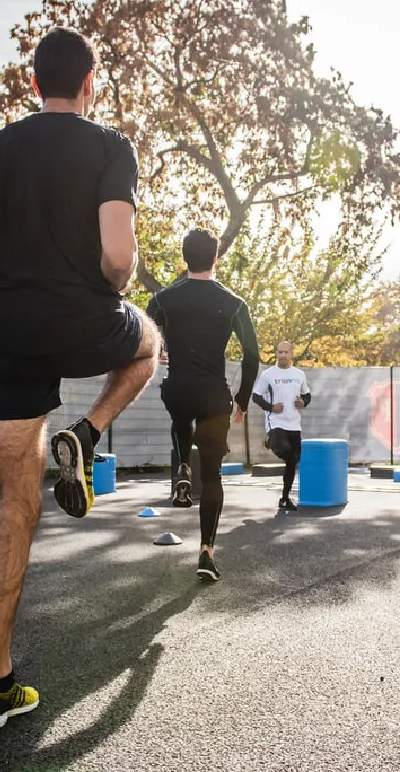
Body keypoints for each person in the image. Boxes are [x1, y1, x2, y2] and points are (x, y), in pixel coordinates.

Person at [0, 27, 159, 731]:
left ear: (33, 85)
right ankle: (87, 432)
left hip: (10, 340)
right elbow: (119, 256)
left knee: (14, 513)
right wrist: (115, 280)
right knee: (148, 344)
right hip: (86, 325)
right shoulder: (111, 146)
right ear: (91, 86)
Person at [146, 229, 260, 581]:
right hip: (214, 395)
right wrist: (242, 399)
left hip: (179, 387)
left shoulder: (163, 299)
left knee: (180, 416)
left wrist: (160, 350)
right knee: (212, 476)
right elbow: (252, 356)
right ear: (215, 258)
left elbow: (146, 338)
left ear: (184, 257)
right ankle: (206, 552)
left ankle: (181, 466)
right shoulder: (235, 303)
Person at [251, 341, 311, 511]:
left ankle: (284, 498)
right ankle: (272, 440)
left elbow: (307, 395)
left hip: (294, 423)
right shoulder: (268, 375)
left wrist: (303, 402)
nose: (282, 355)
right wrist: (271, 407)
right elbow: (256, 397)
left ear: (292, 353)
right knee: (286, 452)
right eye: (279, 352)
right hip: (275, 422)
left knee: (293, 461)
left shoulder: (299, 374)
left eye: (285, 352)